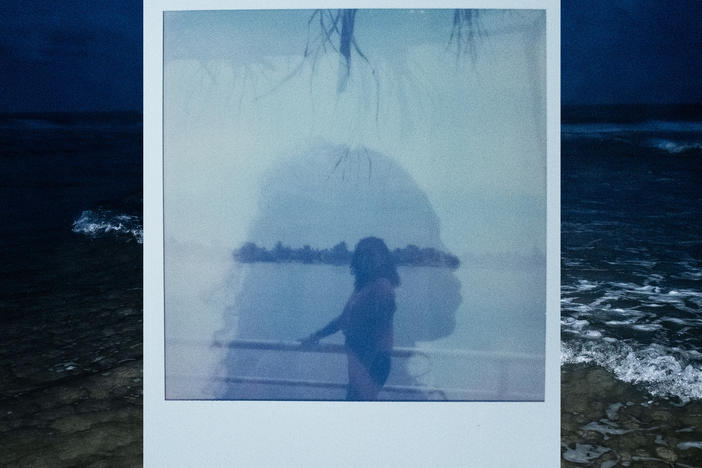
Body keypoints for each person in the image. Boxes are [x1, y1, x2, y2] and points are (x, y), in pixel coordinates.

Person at [301, 236, 400, 400]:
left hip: (371, 361)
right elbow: (343, 319)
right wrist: (315, 336)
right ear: (357, 258)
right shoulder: (363, 285)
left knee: (357, 406)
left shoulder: (382, 287)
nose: (366, 258)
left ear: (382, 258)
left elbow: (378, 331)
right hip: (357, 356)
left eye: (372, 254)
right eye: (362, 254)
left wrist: (363, 368)